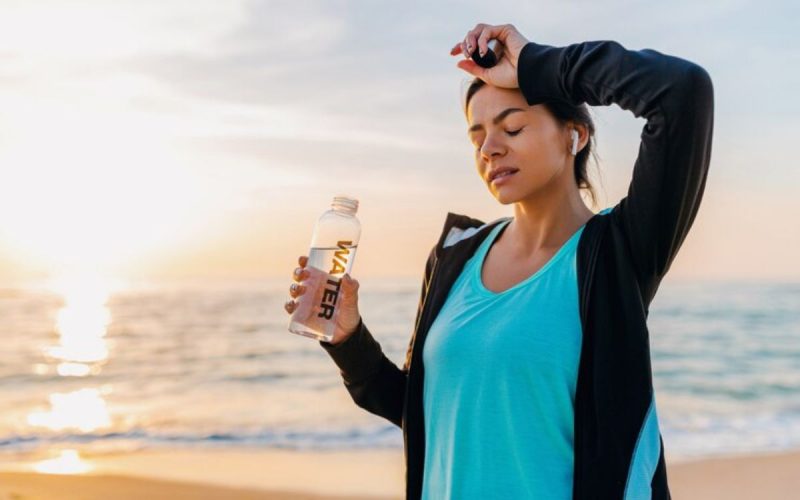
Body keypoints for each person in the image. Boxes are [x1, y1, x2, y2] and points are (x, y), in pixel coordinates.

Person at [285, 23, 713, 500]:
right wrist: (347, 338)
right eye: (477, 137)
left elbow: (681, 92)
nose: (490, 148)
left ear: (575, 135)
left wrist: (536, 64)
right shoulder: (456, 254)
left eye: (511, 127)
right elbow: (428, 412)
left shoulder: (617, 251)